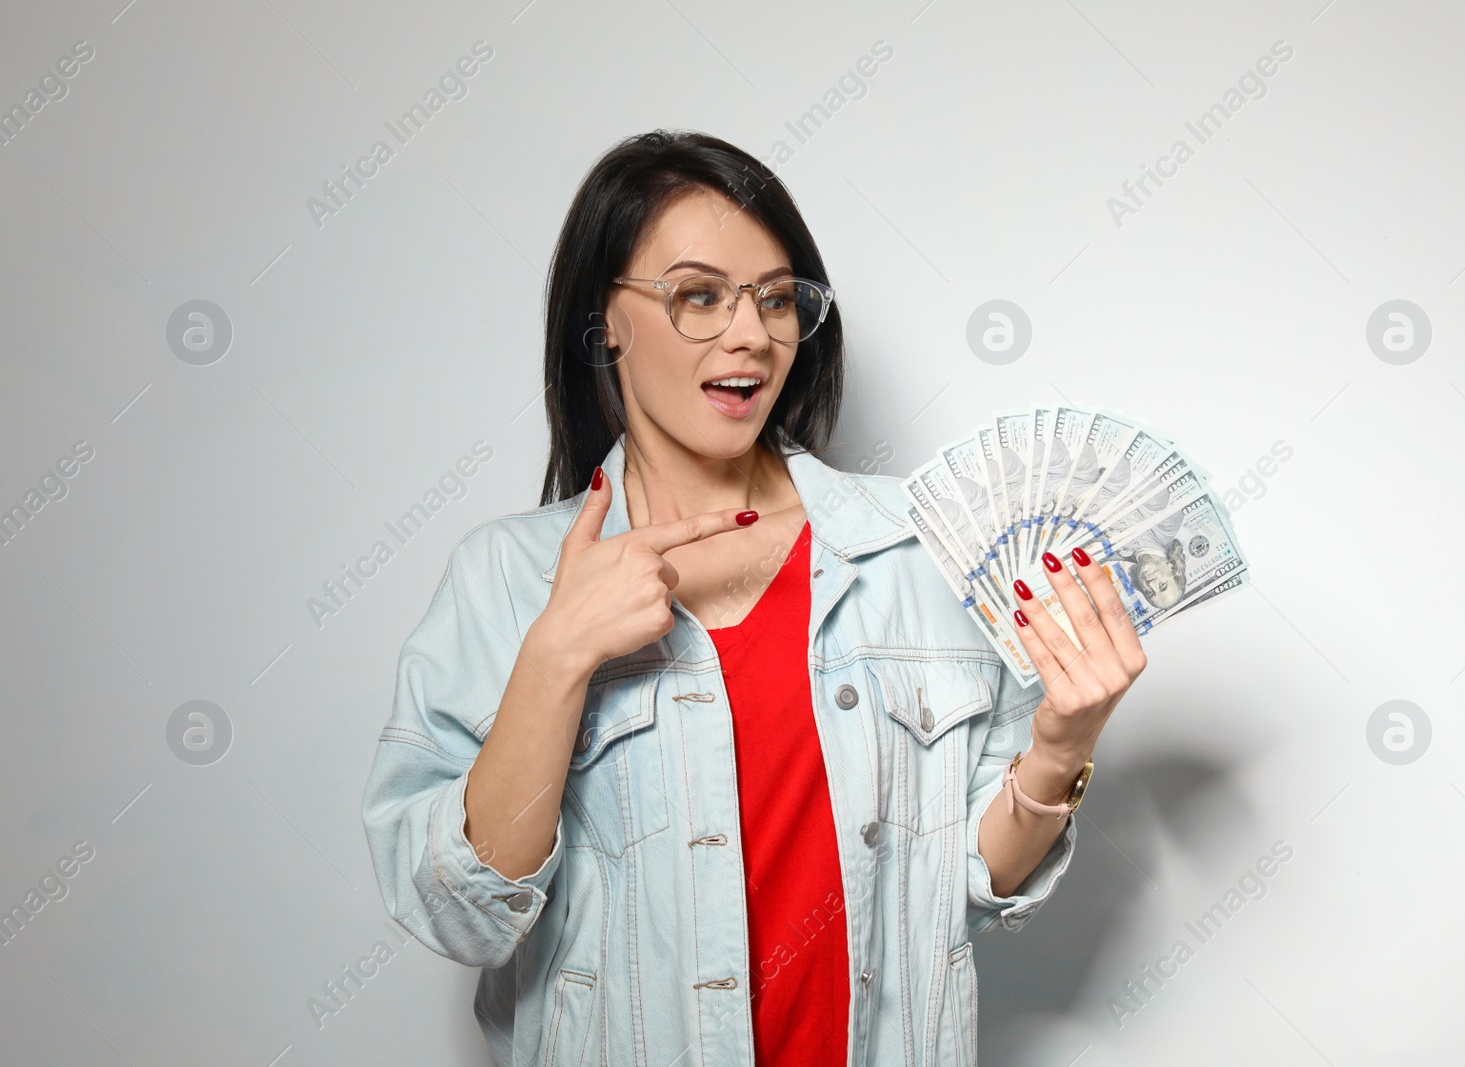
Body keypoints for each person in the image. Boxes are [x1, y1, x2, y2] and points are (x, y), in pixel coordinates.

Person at [361, 129, 1147, 1066]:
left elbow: (979, 878)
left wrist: (1061, 748)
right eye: (698, 295)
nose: (751, 334)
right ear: (604, 317)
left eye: (776, 300)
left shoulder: (918, 549)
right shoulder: (506, 577)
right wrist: (557, 657)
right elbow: (461, 916)